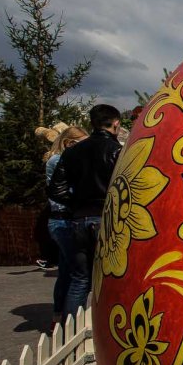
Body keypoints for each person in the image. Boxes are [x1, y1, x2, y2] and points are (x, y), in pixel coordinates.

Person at [48, 104, 123, 317]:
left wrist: (78, 203)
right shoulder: (117, 151)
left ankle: (69, 328)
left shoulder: (72, 152)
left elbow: (56, 190)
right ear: (115, 123)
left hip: (79, 220)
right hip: (108, 219)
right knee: (112, 277)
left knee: (80, 278)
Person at [44, 126, 88, 328]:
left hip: (62, 219)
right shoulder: (59, 160)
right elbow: (64, 191)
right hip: (65, 219)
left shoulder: (59, 159)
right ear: (70, 143)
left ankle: (58, 316)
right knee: (79, 274)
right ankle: (70, 324)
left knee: (66, 272)